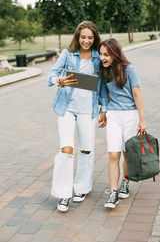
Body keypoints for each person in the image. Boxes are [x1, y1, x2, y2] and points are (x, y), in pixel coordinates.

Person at [47, 21, 107, 212]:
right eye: (83, 37)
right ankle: (64, 194)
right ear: (77, 36)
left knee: (86, 149)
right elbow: (51, 74)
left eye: (90, 37)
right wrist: (58, 80)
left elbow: (104, 84)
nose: (86, 41)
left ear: (94, 38)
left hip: (87, 109)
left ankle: (81, 187)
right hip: (66, 108)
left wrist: (104, 109)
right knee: (66, 150)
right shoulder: (68, 54)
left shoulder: (99, 57)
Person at [99, 38, 147, 208]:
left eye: (106, 54)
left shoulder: (130, 69)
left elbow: (137, 94)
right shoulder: (105, 71)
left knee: (127, 152)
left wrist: (142, 119)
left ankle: (125, 182)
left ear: (115, 53)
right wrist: (103, 112)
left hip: (130, 116)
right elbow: (103, 94)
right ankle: (113, 192)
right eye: (100, 55)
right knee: (113, 154)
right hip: (113, 115)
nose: (102, 58)